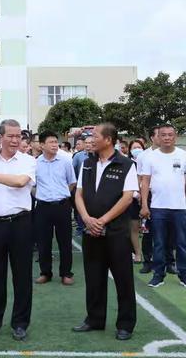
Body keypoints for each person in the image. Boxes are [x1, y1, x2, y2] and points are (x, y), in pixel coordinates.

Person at [73, 123, 138, 341]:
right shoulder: (88, 163)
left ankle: (125, 324)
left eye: (95, 136)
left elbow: (127, 197)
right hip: (91, 231)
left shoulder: (126, 164)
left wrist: (102, 220)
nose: (90, 139)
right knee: (94, 277)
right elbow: (79, 194)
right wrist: (86, 218)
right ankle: (94, 319)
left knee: (123, 279)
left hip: (117, 232)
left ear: (108, 140)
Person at [0, 119, 36, 341]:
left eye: (18, 136)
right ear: (0, 137)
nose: (14, 140)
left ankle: (20, 323)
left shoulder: (28, 161)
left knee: (22, 276)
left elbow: (21, 182)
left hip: (21, 223)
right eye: (10, 136)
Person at [140, 124, 186, 288]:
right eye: (163, 135)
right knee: (158, 243)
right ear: (157, 137)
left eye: (170, 135)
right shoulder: (150, 157)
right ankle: (158, 275)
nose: (167, 138)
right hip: (158, 207)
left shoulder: (183, 155)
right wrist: (144, 205)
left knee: (182, 243)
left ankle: (184, 274)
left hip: (180, 208)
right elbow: (145, 182)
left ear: (175, 136)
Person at [35, 131, 76, 285]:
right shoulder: (36, 163)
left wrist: (61, 194)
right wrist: (42, 195)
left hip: (62, 206)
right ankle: (45, 272)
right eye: (51, 142)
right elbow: (32, 186)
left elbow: (72, 182)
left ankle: (66, 273)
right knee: (43, 242)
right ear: (42, 145)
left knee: (65, 241)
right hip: (43, 207)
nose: (54, 145)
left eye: (55, 142)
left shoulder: (65, 161)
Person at [136, 126, 176, 275]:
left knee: (170, 231)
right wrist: (142, 198)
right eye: (160, 135)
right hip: (150, 196)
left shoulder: (174, 155)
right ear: (153, 137)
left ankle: (169, 262)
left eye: (167, 135)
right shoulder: (144, 156)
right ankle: (148, 261)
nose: (164, 138)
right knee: (148, 231)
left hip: (169, 197)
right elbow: (140, 178)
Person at [128, 140, 145, 264]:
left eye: (139, 147)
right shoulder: (128, 164)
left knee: (148, 230)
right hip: (133, 200)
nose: (137, 149)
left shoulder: (149, 161)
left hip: (149, 199)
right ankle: (137, 253)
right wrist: (136, 194)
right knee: (134, 228)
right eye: (134, 147)